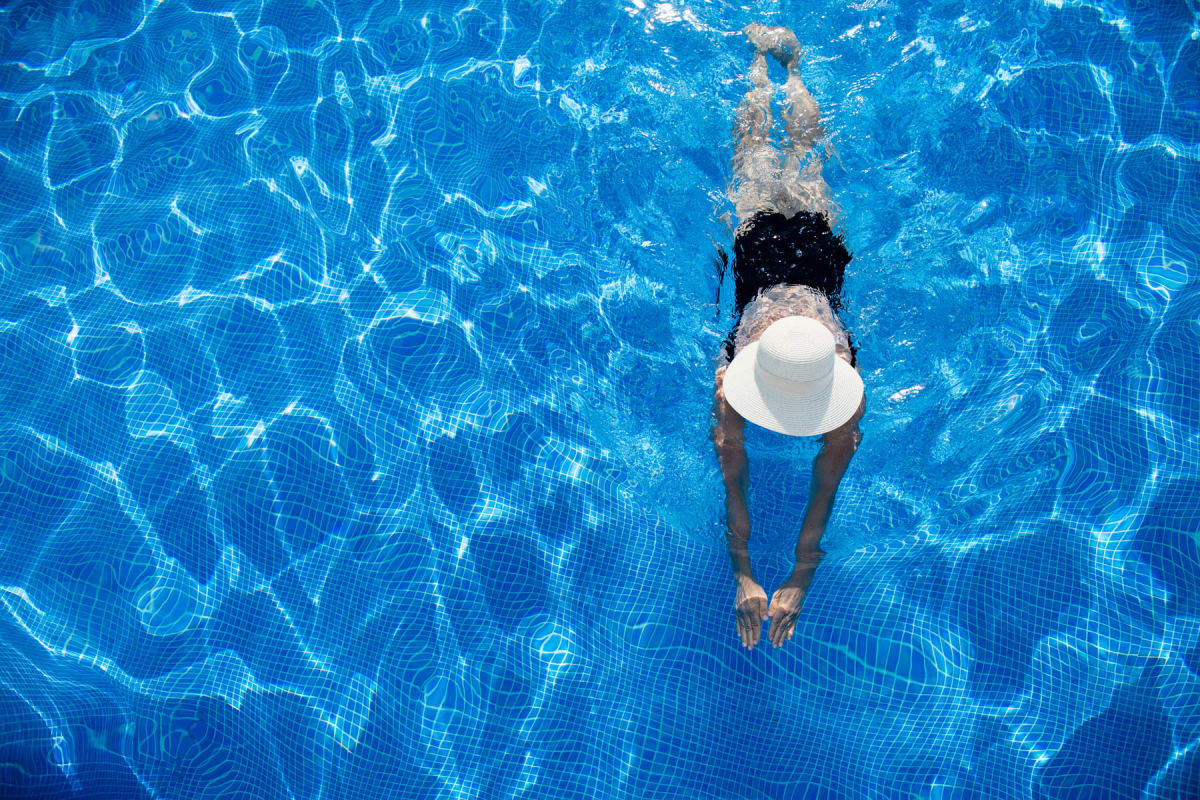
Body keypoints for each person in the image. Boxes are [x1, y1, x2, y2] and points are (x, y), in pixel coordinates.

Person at [712, 25, 865, 650]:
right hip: (806, 261)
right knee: (800, 158)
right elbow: (824, 484)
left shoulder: (736, 387)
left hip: (768, 259)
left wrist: (767, 574)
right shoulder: (846, 395)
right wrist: (763, 573)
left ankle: (764, 63)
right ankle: (789, 67)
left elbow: (733, 475)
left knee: (764, 152)